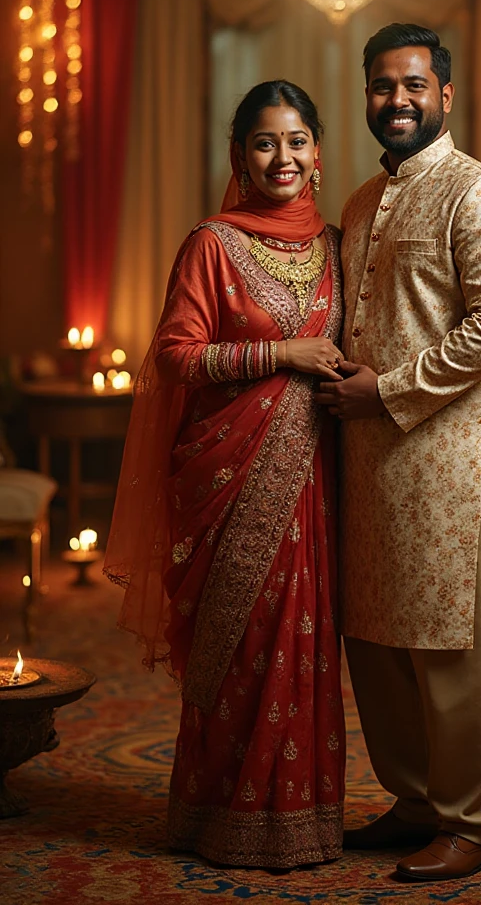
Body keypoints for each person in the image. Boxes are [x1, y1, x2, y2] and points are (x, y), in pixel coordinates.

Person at [104, 80, 346, 870]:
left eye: (298, 140)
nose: (284, 156)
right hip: (227, 477)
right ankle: (219, 814)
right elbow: (173, 356)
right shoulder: (211, 242)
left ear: (319, 153)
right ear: (239, 155)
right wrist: (284, 354)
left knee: (304, 643)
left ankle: (300, 816)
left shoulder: (339, 245)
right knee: (242, 646)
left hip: (314, 482)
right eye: (266, 142)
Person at [317, 23, 481, 882]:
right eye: (381, 87)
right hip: (369, 466)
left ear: (446, 95)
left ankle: (478, 822)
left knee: (450, 646)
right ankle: (415, 802)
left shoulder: (478, 194)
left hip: (447, 465)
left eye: (413, 86)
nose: (396, 100)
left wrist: (387, 389)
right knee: (377, 641)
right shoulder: (364, 200)